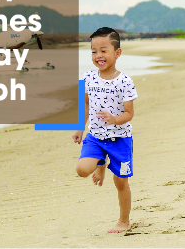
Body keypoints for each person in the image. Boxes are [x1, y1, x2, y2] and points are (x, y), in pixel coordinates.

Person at [72, 27, 138, 233]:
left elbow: (129, 113)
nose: (98, 56)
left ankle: (124, 221)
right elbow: (84, 105)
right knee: (82, 170)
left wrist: (114, 119)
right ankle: (101, 162)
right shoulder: (88, 77)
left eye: (103, 50)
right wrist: (79, 129)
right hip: (96, 137)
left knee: (120, 183)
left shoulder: (124, 81)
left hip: (120, 139)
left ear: (117, 53)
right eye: (93, 51)